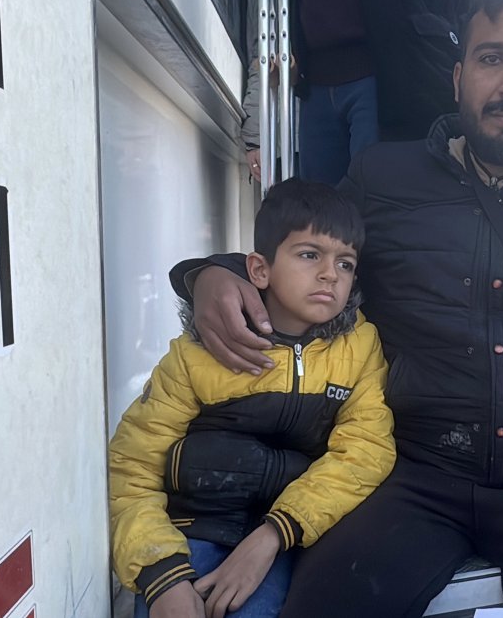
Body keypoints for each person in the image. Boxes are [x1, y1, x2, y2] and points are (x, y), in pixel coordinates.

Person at [176, 0, 503, 618]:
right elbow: (304, 255)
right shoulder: (383, 178)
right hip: (408, 480)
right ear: (457, 77)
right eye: (492, 57)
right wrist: (214, 273)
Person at [110, 179, 396, 618]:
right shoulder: (198, 352)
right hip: (186, 535)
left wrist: (275, 534)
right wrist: (160, 574)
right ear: (260, 270)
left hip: (282, 536)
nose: (329, 274)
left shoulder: (358, 347)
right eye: (309, 255)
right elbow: (132, 468)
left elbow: (366, 451)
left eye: (345, 263)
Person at [243, 0, 479, 185]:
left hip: (375, 75)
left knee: (371, 191)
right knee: (318, 202)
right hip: (314, 84)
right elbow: (260, 40)